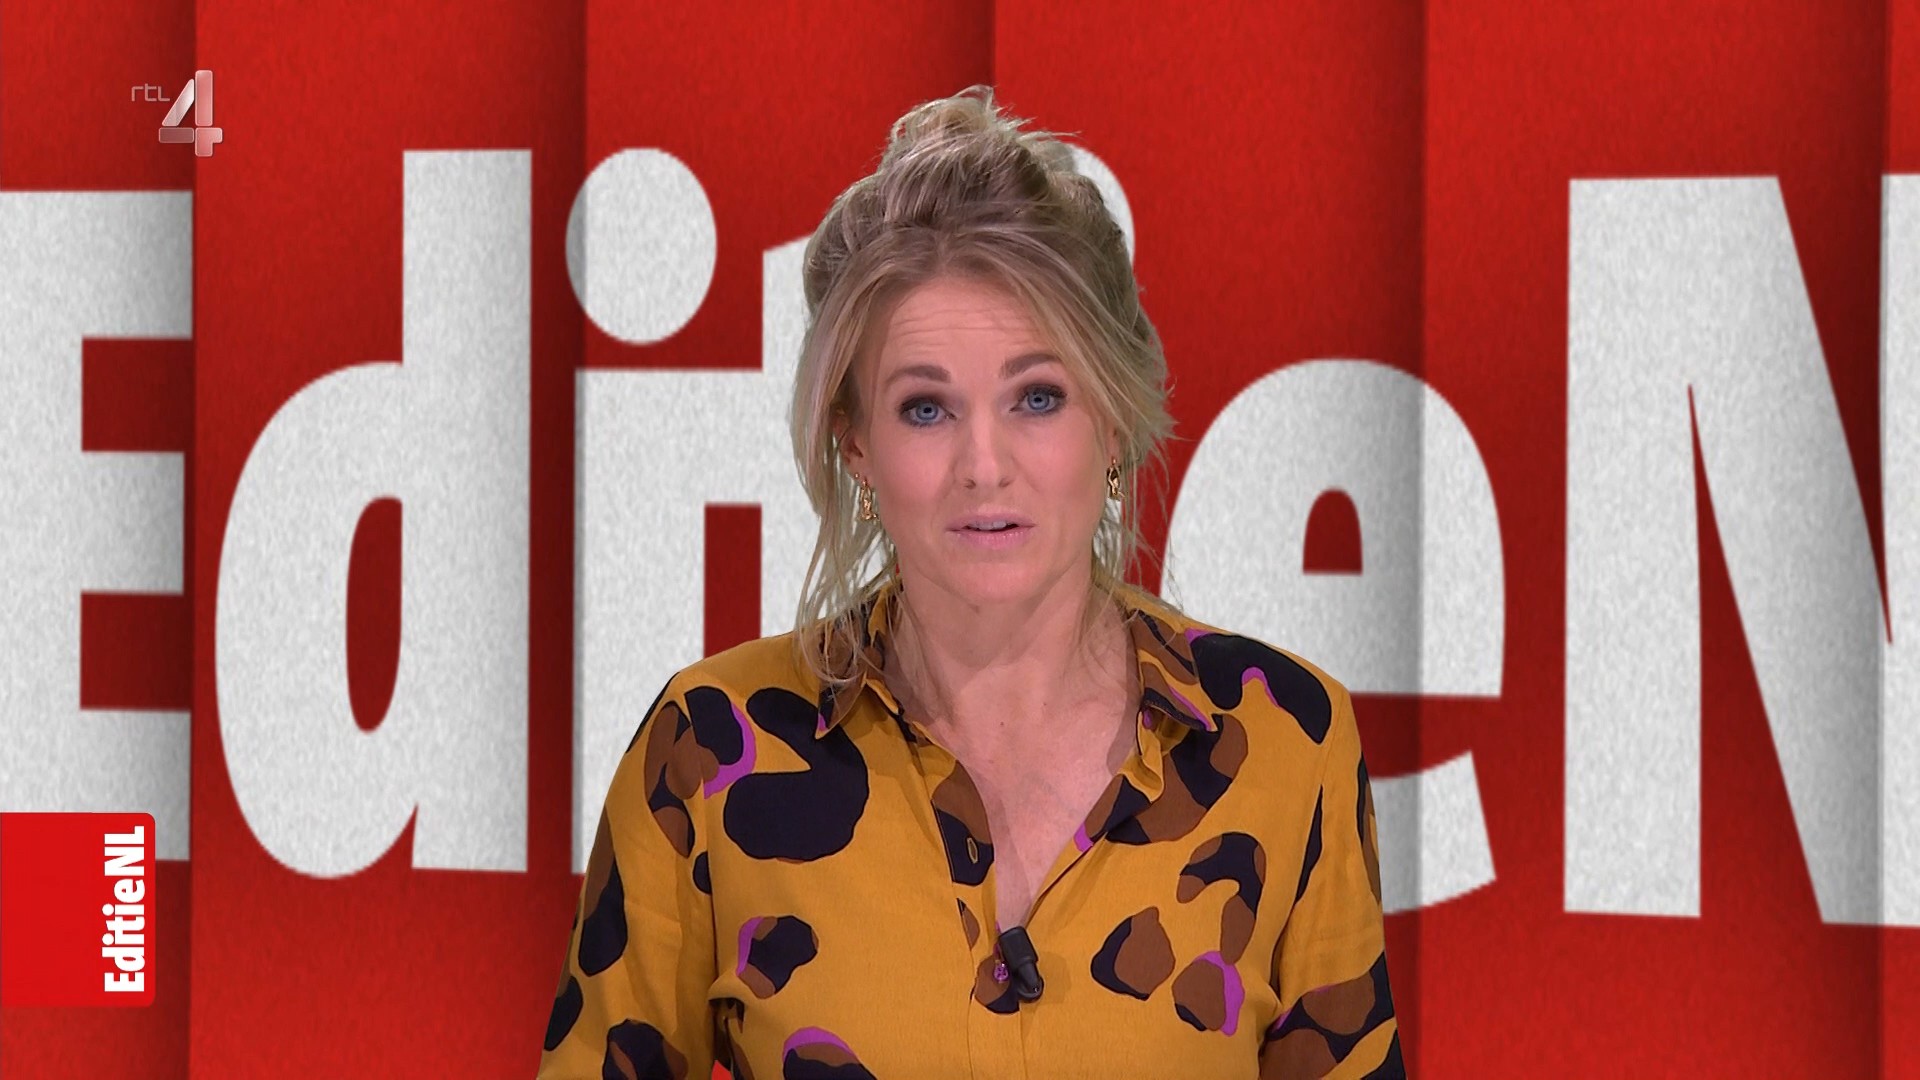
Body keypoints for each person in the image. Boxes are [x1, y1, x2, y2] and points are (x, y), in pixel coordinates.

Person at [537, 85, 1400, 1080]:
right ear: (855, 443)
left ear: (1113, 418)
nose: (984, 466)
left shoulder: (1287, 743)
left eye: (1037, 397)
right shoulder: (707, 747)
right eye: (926, 409)